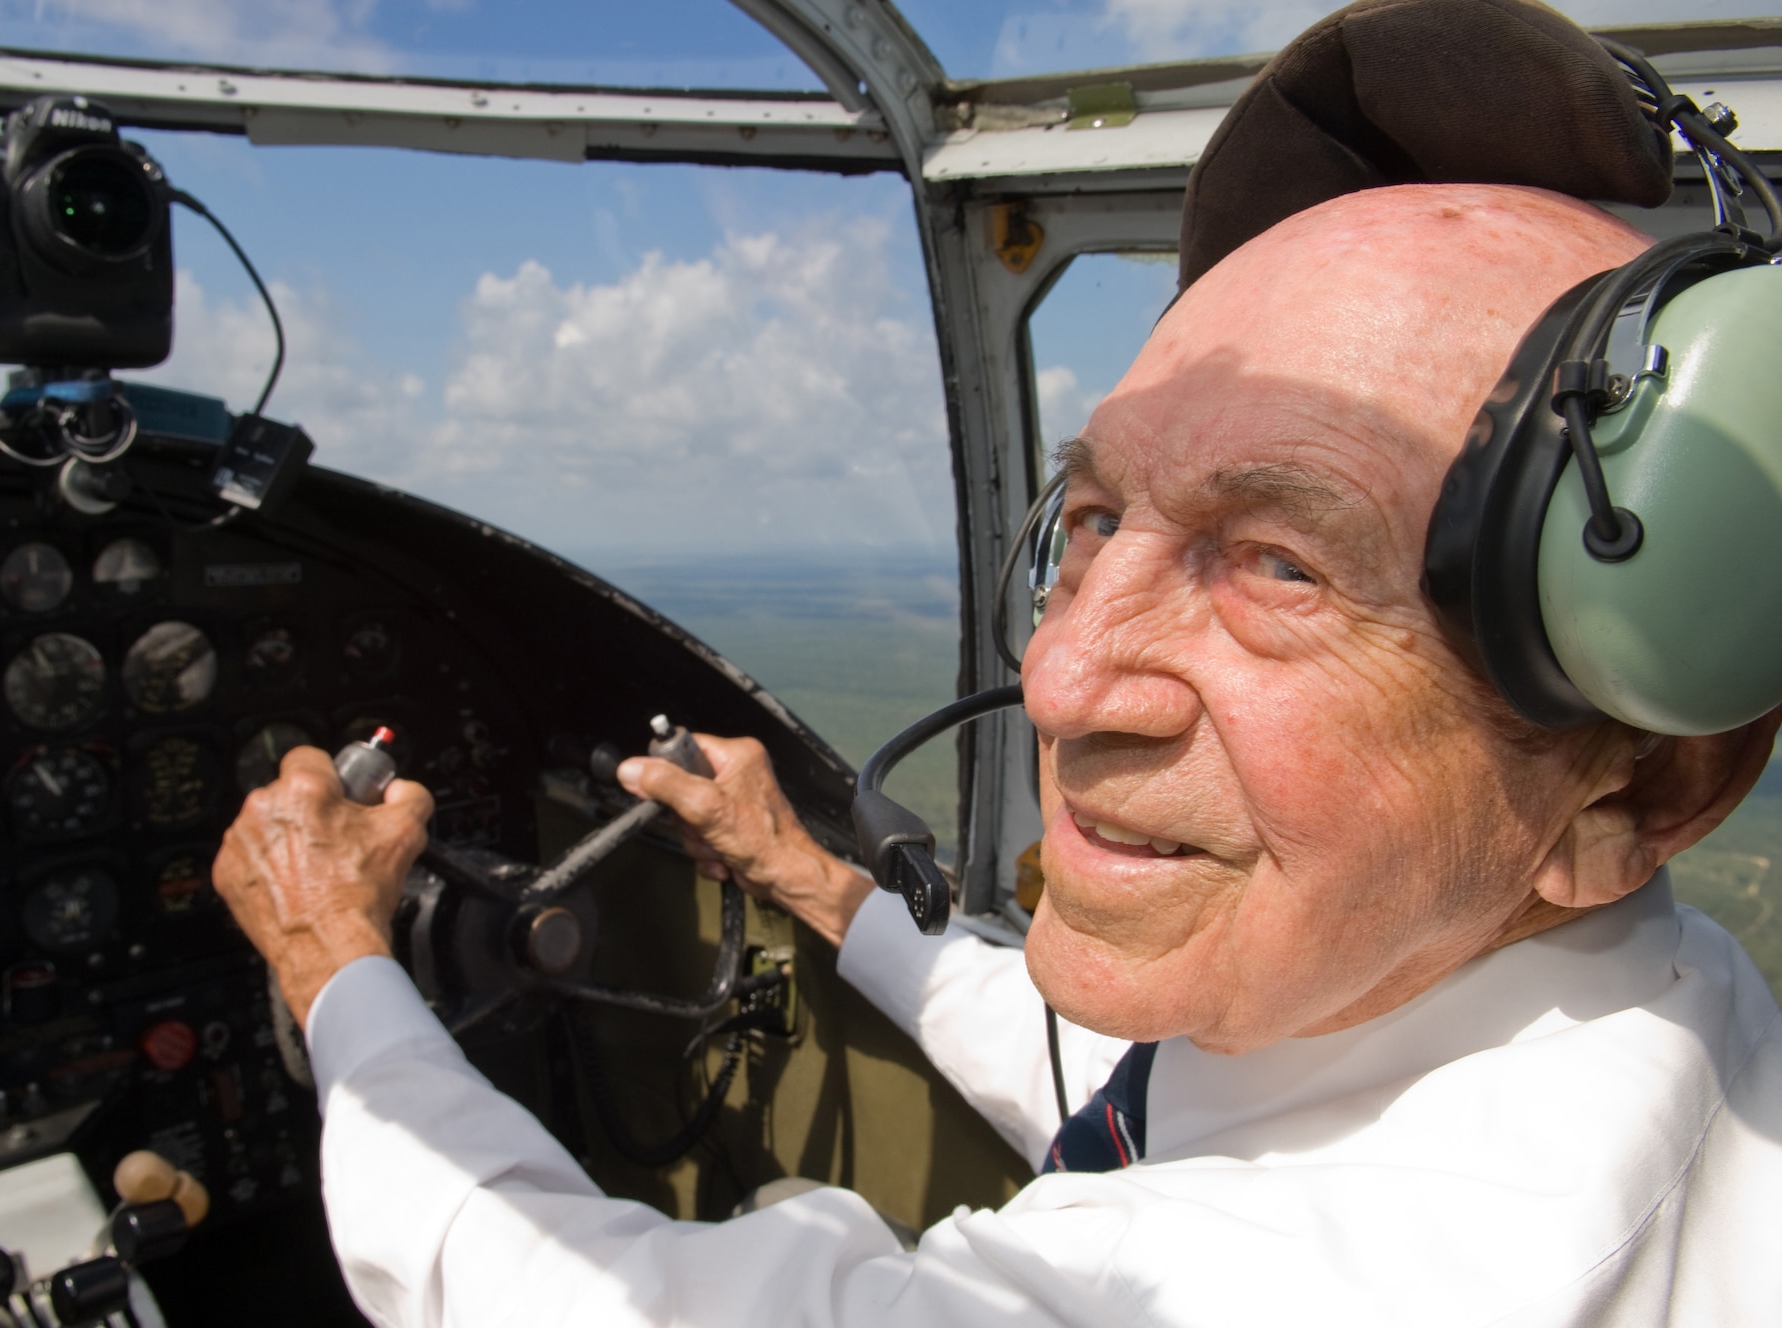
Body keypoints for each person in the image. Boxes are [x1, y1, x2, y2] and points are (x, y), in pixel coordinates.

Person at [213, 173, 1782, 1324]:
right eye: (1093, 522)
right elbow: (1133, 1098)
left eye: (1281, 565)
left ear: (1639, 783)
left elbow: (552, 1294)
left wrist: (330, 958)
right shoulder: (1611, 1002)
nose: (1061, 673)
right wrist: (825, 893)